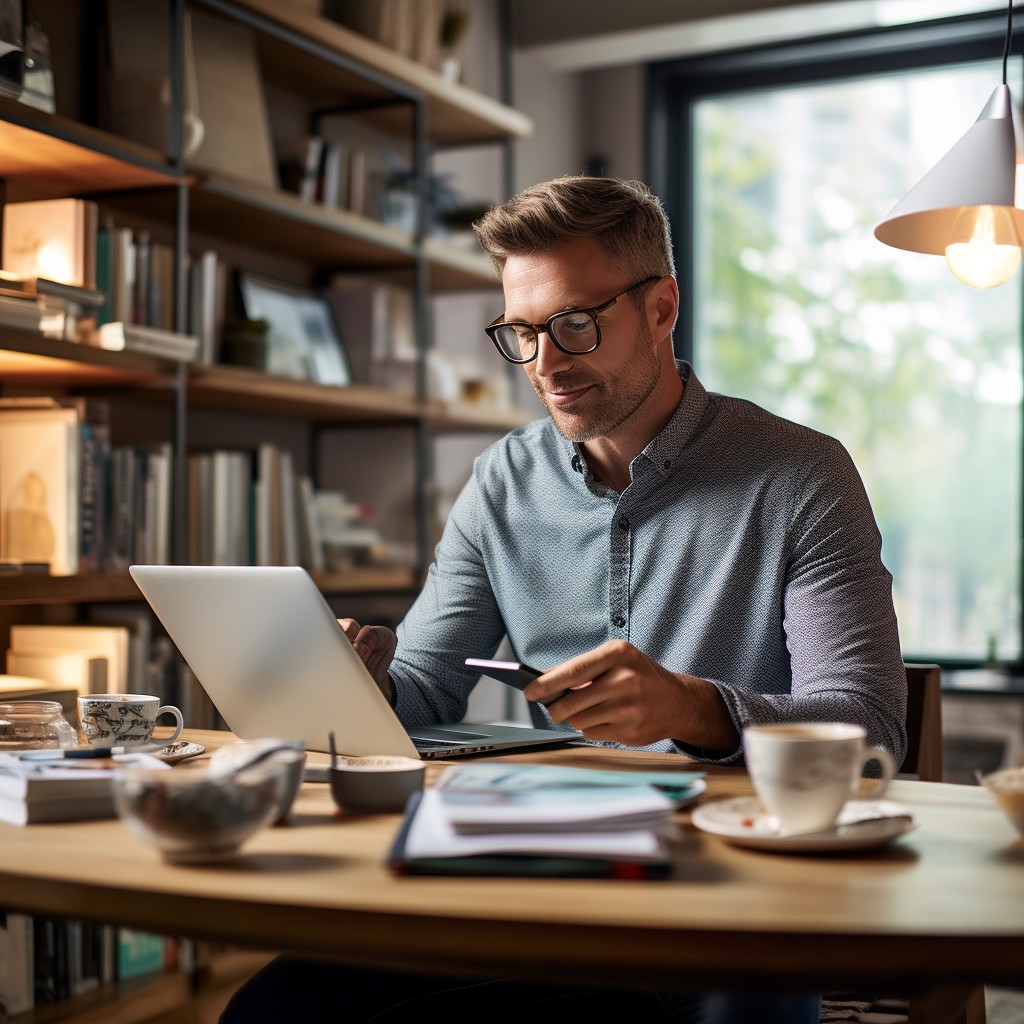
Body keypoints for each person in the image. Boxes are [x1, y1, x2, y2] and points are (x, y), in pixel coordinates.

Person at [222, 176, 906, 1023]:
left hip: (730, 905)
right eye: (522, 332)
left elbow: (869, 725)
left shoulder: (800, 474)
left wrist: (693, 709)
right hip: (544, 883)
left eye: (576, 324)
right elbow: (427, 686)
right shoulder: (501, 481)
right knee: (274, 1010)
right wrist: (359, 684)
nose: (545, 363)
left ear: (662, 307)